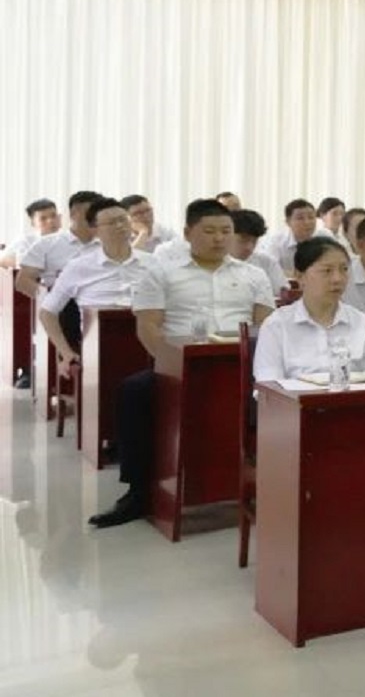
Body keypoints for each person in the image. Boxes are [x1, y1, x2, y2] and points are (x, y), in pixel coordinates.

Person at [93, 199, 276, 527]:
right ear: (188, 233)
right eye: (209, 231)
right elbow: (147, 328)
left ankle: (271, 486)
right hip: (179, 367)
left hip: (241, 368)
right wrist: (170, 366)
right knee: (134, 391)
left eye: (226, 231)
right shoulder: (161, 272)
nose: (219, 238)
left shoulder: (254, 275)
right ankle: (138, 492)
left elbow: (265, 327)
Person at [39, 197, 153, 366]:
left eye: (123, 220)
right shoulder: (79, 266)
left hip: (149, 347)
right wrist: (66, 352)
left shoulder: (153, 263)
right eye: (112, 223)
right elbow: (47, 312)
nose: (120, 226)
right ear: (95, 230)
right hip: (98, 352)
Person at [252, 237, 365, 384]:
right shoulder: (276, 325)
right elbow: (269, 388)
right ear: (300, 276)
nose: (338, 279)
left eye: (344, 269)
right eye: (327, 271)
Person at [15, 189, 103, 306]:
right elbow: (23, 282)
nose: (94, 218)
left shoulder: (109, 243)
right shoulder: (46, 244)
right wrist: (51, 300)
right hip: (62, 309)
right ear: (73, 215)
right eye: (89, 213)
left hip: (103, 306)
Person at [227, 209, 288, 295]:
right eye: (243, 240)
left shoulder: (266, 262)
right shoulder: (213, 263)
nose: (249, 247)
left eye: (254, 241)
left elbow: (281, 293)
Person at [0, 197, 61, 272]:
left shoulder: (66, 240)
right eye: (43, 218)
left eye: (53, 216)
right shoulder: (26, 242)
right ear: (33, 223)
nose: (50, 221)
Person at [257, 198, 317, 273]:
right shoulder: (275, 242)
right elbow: (270, 270)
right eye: (300, 218)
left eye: (311, 217)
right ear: (288, 222)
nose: (307, 222)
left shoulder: (324, 239)